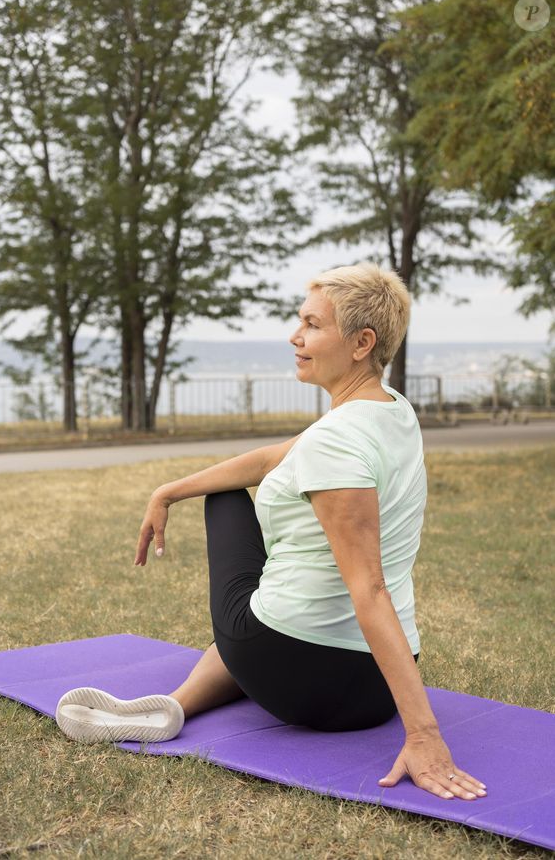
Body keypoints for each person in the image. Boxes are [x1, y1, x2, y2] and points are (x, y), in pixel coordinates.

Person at [56, 262, 487, 803]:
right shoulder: (392, 412)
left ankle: (192, 691)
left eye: (311, 324)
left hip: (295, 675)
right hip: (370, 693)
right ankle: (177, 705)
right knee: (272, 578)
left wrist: (424, 736)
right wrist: (167, 490)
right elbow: (270, 457)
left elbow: (368, 589)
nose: (295, 336)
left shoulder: (335, 442)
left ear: (361, 342)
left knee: (225, 500)